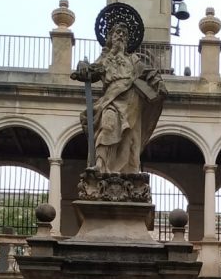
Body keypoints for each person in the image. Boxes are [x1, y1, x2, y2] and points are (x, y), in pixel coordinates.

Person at [71, 21, 166, 175]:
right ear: (110, 38)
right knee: (107, 125)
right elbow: (90, 71)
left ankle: (128, 172)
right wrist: (82, 65)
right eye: (117, 33)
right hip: (111, 98)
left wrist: (159, 83)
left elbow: (149, 72)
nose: (120, 36)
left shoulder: (133, 59)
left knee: (128, 138)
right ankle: (100, 166)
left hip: (131, 99)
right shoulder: (104, 59)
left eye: (124, 34)